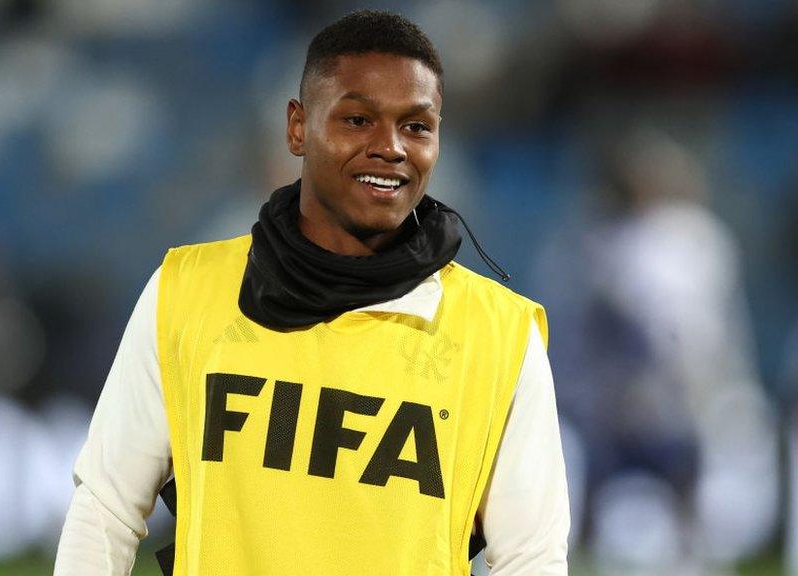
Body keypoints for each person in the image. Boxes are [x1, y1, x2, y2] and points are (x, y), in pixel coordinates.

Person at [53, 10, 569, 576]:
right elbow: (105, 508)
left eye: (417, 126)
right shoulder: (186, 292)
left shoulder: (499, 335)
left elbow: (531, 559)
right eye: (357, 120)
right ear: (298, 127)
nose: (391, 147)